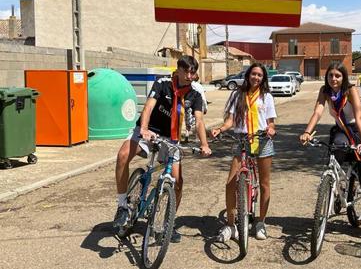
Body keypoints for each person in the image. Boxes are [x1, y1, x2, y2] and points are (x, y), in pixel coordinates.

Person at [113, 56, 212, 242]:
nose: (190, 76)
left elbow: (199, 121)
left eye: (193, 72)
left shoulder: (195, 95)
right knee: (123, 155)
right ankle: (122, 206)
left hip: (171, 138)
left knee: (178, 180)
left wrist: (204, 144)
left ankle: (168, 223)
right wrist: (143, 128)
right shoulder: (163, 83)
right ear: (179, 70)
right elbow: (149, 107)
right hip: (148, 130)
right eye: (187, 71)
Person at [299, 62, 361, 245]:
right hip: (341, 131)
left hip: (359, 130)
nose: (334, 79)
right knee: (335, 153)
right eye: (331, 75)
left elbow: (359, 116)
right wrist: (307, 132)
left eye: (337, 76)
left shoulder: (351, 90)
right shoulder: (325, 91)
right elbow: (317, 112)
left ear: (344, 77)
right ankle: (334, 187)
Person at [212, 63, 277, 242]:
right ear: (248, 75)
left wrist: (271, 129)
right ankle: (231, 225)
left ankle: (260, 223)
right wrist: (221, 129)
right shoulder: (237, 94)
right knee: (230, 183)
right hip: (242, 140)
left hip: (262, 140)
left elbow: (271, 123)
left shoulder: (267, 97)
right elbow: (230, 120)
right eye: (254, 74)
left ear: (263, 78)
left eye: (260, 75)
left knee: (264, 184)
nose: (256, 77)